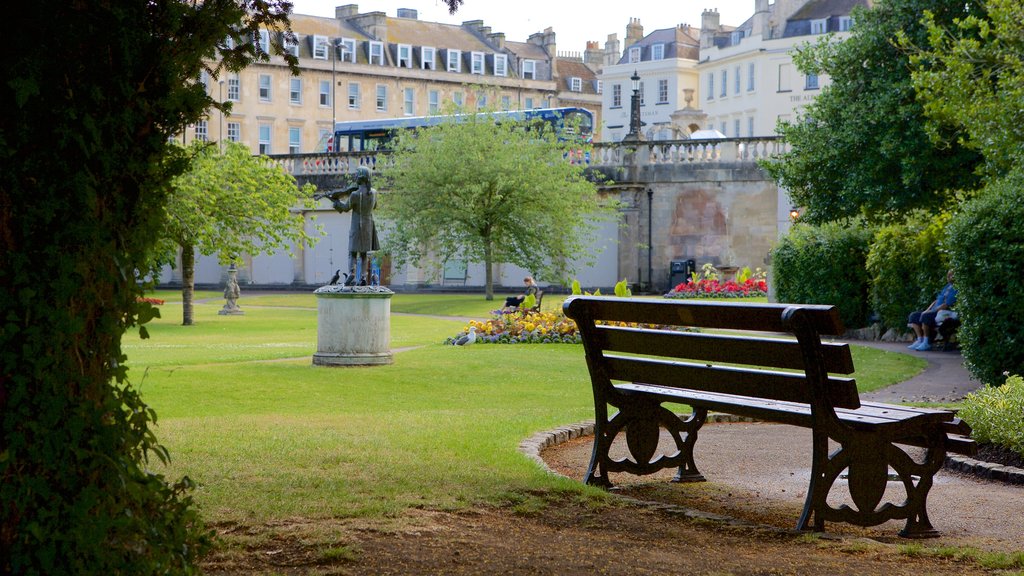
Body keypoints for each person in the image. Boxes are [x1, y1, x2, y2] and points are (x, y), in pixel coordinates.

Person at [329, 166, 379, 286]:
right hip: (368, 226)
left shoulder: (355, 195)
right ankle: (363, 277)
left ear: (361, 177)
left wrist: (335, 203)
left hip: (357, 226)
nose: (355, 177)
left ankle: (351, 273)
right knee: (363, 253)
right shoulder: (374, 192)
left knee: (352, 252)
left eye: (357, 175)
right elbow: (375, 206)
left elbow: (345, 208)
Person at [907, 269, 956, 351]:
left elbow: (946, 305)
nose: (948, 277)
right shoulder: (947, 287)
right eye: (948, 275)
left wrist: (932, 311)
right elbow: (936, 301)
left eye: (951, 275)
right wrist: (927, 310)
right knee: (914, 316)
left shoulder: (956, 289)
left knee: (926, 316)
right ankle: (920, 340)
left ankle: (926, 343)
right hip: (933, 311)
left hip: (941, 313)